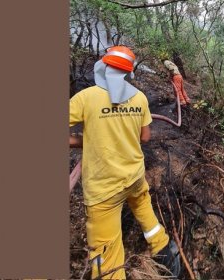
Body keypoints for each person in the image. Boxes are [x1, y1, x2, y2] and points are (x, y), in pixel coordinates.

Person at [69, 46, 181, 279]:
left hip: (104, 190)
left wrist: (80, 141)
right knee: (142, 206)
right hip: (134, 177)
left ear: (105, 66)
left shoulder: (86, 98)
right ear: (128, 72)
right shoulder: (139, 98)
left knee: (107, 255)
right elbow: (145, 137)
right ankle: (164, 250)